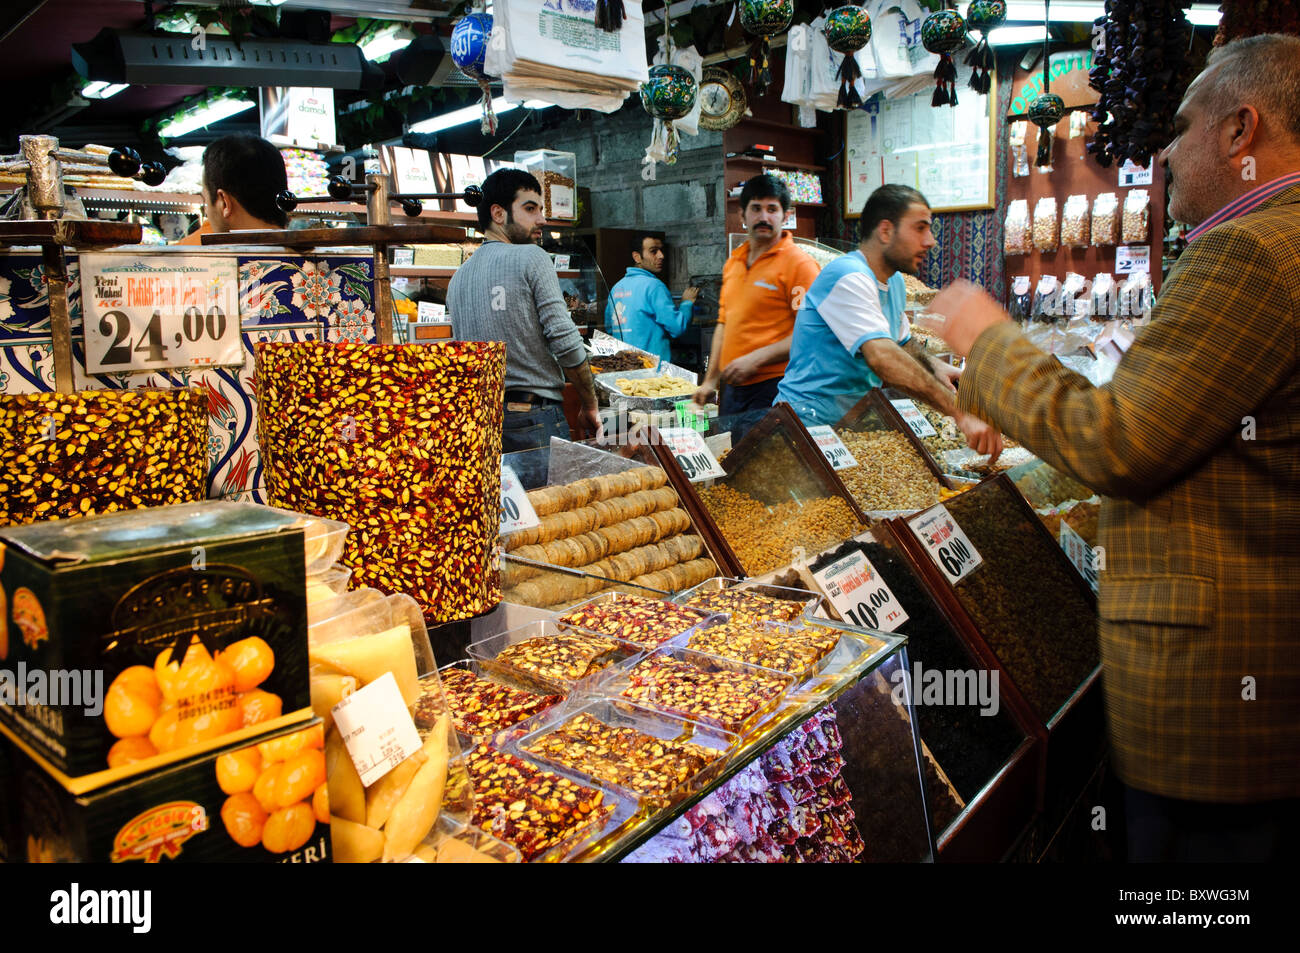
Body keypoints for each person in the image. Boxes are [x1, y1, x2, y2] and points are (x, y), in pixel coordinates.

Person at [927, 34, 1300, 861]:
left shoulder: (1252, 250)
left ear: (1241, 130)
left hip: (1217, 717)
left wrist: (989, 343)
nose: (1164, 152)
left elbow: (1121, 440)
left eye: (1181, 127)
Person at [776, 184, 1003, 458]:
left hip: (847, 425)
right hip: (804, 426)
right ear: (885, 231)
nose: (930, 241)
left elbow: (902, 345)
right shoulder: (849, 276)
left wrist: (936, 368)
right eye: (920, 228)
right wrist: (959, 412)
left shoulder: (893, 282)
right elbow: (883, 357)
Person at [448, 168, 600, 452]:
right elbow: (566, 342)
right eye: (530, 208)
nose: (541, 219)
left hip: (482, 421)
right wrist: (589, 404)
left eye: (541, 209)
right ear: (498, 214)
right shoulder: (532, 256)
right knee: (549, 498)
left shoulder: (458, 278)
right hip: (532, 420)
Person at [692, 175, 819, 414]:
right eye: (756, 208)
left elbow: (811, 334)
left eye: (772, 209)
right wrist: (710, 381)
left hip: (776, 387)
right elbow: (723, 324)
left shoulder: (800, 265)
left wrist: (756, 358)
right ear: (742, 215)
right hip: (732, 388)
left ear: (786, 216)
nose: (764, 217)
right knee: (732, 451)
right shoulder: (734, 262)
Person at [604, 234, 699, 364]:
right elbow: (677, 328)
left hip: (625, 369)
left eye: (661, 251)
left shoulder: (616, 288)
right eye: (653, 251)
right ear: (637, 257)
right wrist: (687, 303)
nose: (661, 256)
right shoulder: (654, 286)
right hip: (652, 372)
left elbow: (610, 329)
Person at [179, 134, 289, 242]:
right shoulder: (303, 255)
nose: (206, 211)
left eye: (205, 201)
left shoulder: (195, 257)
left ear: (224, 203)